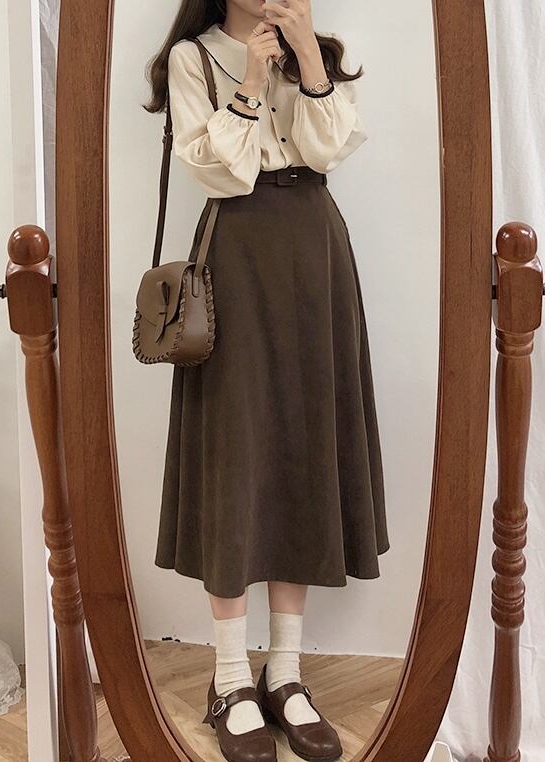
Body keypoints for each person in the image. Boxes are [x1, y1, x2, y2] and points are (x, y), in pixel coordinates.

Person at [144, 1, 389, 760]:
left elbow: (328, 149)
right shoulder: (192, 58)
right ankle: (228, 679)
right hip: (237, 258)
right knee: (236, 449)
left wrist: (308, 57)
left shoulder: (321, 50)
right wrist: (251, 80)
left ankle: (284, 673)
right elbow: (217, 169)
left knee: (301, 447)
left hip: (315, 254)